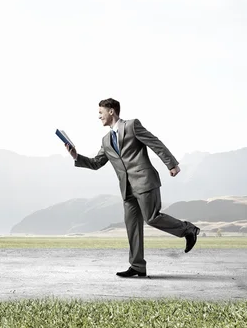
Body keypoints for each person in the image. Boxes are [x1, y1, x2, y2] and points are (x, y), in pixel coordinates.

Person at [65, 98, 200, 278]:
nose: (99, 117)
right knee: (132, 226)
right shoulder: (106, 140)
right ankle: (137, 266)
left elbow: (155, 143)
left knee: (151, 218)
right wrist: (76, 156)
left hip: (145, 181)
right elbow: (96, 163)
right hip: (127, 189)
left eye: (100, 112)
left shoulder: (132, 126)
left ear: (111, 111)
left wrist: (171, 164)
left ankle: (188, 229)